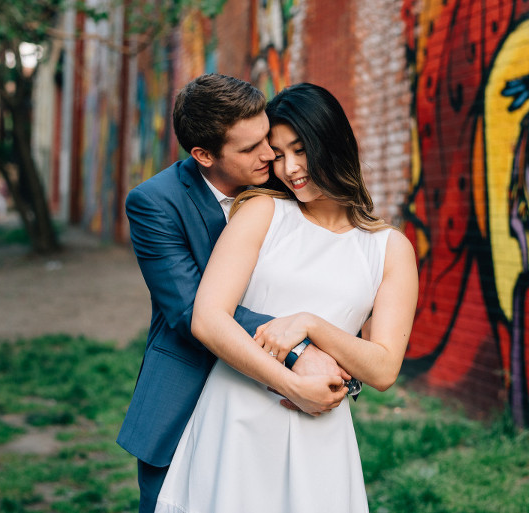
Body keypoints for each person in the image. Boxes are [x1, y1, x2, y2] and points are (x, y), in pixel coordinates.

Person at [154, 83, 419, 512]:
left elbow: (384, 368)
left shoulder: (389, 249)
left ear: (332, 142)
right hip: (235, 421)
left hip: (320, 435)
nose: (291, 168)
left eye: (301, 149)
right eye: (278, 154)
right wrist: (294, 384)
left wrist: (311, 324)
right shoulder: (263, 212)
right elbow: (207, 318)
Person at [116, 74, 351, 513]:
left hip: (273, 412)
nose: (270, 155)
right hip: (185, 396)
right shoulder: (155, 203)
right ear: (204, 155)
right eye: (250, 149)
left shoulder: (284, 182)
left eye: (267, 137)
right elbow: (190, 311)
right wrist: (299, 346)